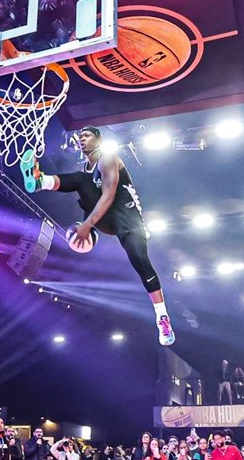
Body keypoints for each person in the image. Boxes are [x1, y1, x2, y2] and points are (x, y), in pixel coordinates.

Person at [21, 126, 174, 345]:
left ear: (99, 139)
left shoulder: (108, 159)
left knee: (139, 260)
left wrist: (86, 225)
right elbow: (91, 198)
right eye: (80, 136)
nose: (81, 139)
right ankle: (39, 180)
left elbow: (109, 195)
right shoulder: (85, 169)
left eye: (87, 135)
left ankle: (162, 316)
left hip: (126, 217)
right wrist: (85, 229)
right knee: (81, 180)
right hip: (102, 219)